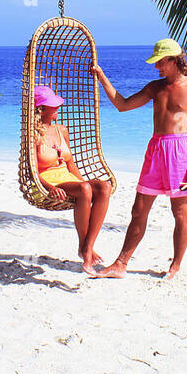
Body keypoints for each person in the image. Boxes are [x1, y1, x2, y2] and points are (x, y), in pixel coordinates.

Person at [91, 38, 187, 279]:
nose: (157, 67)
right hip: (155, 150)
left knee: (180, 210)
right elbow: (122, 105)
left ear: (174, 60)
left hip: (180, 153)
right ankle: (120, 264)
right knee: (138, 210)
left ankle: (175, 265)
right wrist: (101, 76)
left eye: (161, 62)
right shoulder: (155, 87)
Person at [33, 84, 113, 274]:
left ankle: (88, 246)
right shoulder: (33, 135)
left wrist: (84, 183)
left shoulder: (62, 130)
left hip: (69, 179)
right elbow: (32, 171)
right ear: (41, 109)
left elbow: (71, 164)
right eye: (54, 105)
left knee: (104, 187)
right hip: (48, 182)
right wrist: (48, 187)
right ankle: (84, 250)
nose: (58, 108)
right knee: (85, 189)